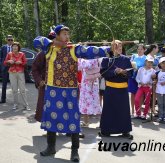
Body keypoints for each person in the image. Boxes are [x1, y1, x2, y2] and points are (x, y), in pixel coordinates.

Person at [33, 24, 110, 162]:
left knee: (73, 119)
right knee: (51, 118)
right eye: (64, 34)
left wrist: (109, 49)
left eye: (68, 34)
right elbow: (36, 40)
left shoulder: (74, 49)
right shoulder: (49, 48)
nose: (67, 37)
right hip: (52, 90)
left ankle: (74, 151)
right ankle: (51, 147)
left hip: (70, 91)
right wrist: (52, 42)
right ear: (57, 35)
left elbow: (91, 51)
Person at [99, 40, 133, 139]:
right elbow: (103, 73)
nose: (120, 48)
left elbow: (130, 74)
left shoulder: (126, 59)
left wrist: (124, 73)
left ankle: (125, 131)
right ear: (112, 48)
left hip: (122, 90)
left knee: (123, 111)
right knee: (109, 111)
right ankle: (106, 131)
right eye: (117, 46)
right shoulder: (106, 59)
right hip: (110, 89)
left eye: (121, 46)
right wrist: (114, 71)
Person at [32, 31, 56, 122]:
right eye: (53, 40)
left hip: (60, 84)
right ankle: (49, 130)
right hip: (46, 84)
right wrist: (39, 80)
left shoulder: (63, 52)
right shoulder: (43, 53)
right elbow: (34, 68)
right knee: (46, 106)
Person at [3, 42, 30, 110]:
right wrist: (9, 61)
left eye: (16, 46)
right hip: (12, 73)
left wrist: (21, 63)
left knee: (22, 90)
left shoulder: (22, 54)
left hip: (20, 73)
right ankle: (15, 104)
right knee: (14, 90)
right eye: (13, 46)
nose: (15, 47)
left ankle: (26, 105)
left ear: (18, 47)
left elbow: (25, 63)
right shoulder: (9, 54)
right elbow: (5, 63)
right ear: (12, 47)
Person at [78, 58, 102, 127]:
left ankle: (102, 122)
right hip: (86, 82)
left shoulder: (94, 58)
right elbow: (78, 68)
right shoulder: (94, 57)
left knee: (95, 102)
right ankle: (86, 122)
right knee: (85, 102)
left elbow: (86, 65)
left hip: (92, 82)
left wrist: (81, 60)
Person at [128, 44, 146, 117]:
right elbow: (129, 65)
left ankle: (139, 112)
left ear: (144, 50)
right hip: (133, 77)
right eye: (138, 49)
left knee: (141, 95)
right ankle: (132, 111)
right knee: (133, 94)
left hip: (141, 79)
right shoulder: (133, 56)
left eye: (141, 49)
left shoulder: (146, 58)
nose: (139, 50)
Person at [0, 35, 14, 103]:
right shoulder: (3, 47)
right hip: (5, 68)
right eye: (9, 40)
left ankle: (15, 101)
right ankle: (3, 99)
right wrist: (1, 65)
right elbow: (1, 57)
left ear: (13, 40)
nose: (10, 41)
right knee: (4, 84)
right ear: (6, 40)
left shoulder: (15, 47)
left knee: (14, 85)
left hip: (13, 68)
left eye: (11, 40)